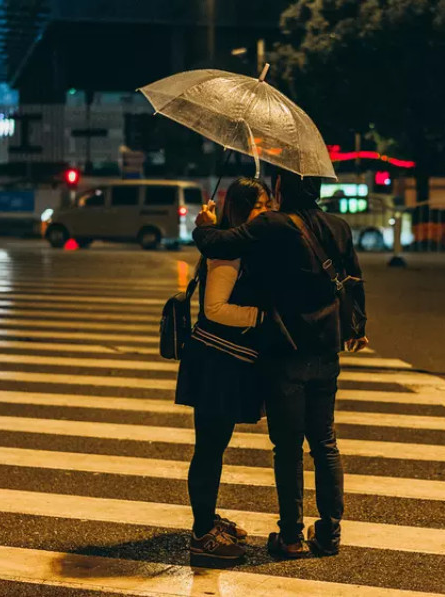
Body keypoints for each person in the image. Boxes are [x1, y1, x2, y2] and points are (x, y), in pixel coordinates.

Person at [193, 168, 368, 559]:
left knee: (287, 446)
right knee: (324, 442)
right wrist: (358, 324)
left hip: (284, 349)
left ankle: (290, 536)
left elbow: (218, 242)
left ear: (281, 188)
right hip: (326, 349)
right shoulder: (338, 226)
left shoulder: (272, 224)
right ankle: (329, 534)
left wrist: (203, 224)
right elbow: (354, 278)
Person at [176, 177, 273, 566]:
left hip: (226, 361)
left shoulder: (234, 242)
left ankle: (208, 519)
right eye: (260, 205)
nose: (266, 213)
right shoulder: (228, 251)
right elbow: (215, 308)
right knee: (209, 449)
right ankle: (202, 535)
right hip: (216, 361)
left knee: (216, 446)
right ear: (241, 207)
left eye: (268, 204)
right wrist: (261, 316)